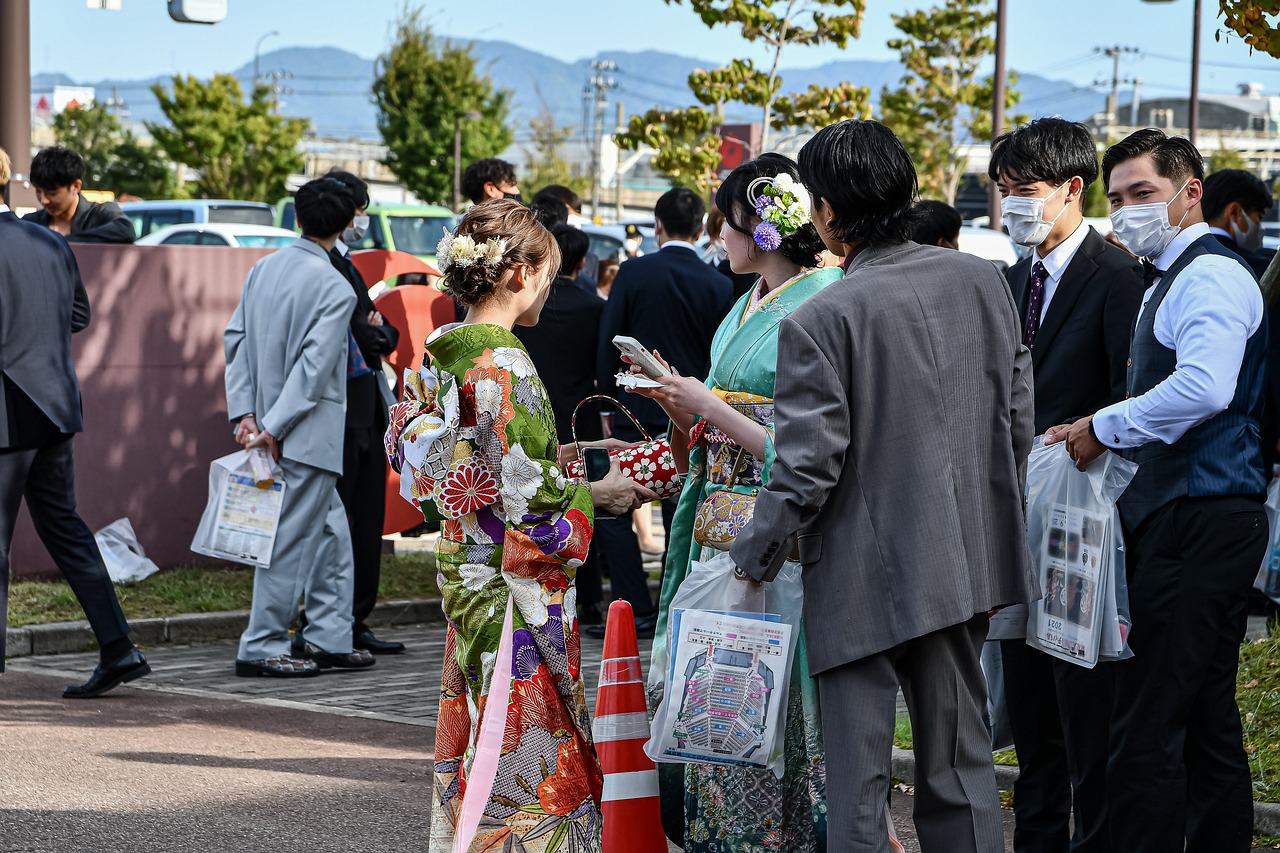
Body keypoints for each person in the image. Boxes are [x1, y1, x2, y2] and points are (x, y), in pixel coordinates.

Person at [730, 119, 1036, 851]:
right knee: (962, 769)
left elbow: (806, 467)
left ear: (828, 212)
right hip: (962, 559)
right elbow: (1016, 411)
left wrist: (752, 555)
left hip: (862, 576)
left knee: (858, 785)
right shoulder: (982, 280)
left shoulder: (822, 316)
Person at [383, 199, 656, 852]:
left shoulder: (439, 352)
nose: (547, 289)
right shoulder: (504, 365)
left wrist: (540, 467)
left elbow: (450, 461)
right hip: (511, 592)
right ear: (518, 273)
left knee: (482, 735)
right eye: (547, 274)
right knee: (527, 753)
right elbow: (533, 508)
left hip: (465, 573)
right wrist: (599, 493)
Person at [1047, 128, 1268, 853]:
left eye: (1143, 193)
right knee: (1203, 718)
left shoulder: (1207, 275)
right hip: (1188, 514)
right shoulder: (1167, 278)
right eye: (1118, 198)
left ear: (1190, 190)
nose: (1128, 210)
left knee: (1147, 724)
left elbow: (1206, 386)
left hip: (1200, 516)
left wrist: (1103, 425)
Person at [631, 153, 842, 851]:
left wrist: (711, 407)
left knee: (769, 687)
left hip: (774, 524)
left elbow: (812, 442)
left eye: (729, 221)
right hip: (716, 518)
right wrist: (681, 405)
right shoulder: (748, 299)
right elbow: (717, 418)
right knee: (717, 684)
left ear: (766, 228)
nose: (719, 234)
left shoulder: (826, 297)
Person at [989, 116, 1145, 853]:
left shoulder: (1117, 276)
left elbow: (1132, 396)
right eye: (1003, 191)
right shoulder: (1010, 279)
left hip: (1086, 528)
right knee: (1031, 720)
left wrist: (1090, 429)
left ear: (1072, 189)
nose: (1012, 204)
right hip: (1016, 527)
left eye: (1025, 190)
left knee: (1088, 718)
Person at [0, 145, 149, 698]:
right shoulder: (48, 241)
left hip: (8, 412)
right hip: (56, 406)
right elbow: (79, 316)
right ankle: (118, 648)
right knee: (66, 529)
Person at [224, 178, 375, 678]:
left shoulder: (262, 268)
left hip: (270, 426)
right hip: (306, 432)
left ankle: (328, 635)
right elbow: (313, 369)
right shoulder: (334, 283)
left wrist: (247, 414)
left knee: (331, 533)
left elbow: (236, 340)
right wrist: (274, 425)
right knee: (291, 541)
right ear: (344, 223)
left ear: (298, 218)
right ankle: (262, 644)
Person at [594, 188, 734, 637]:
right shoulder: (718, 281)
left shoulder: (635, 271)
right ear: (700, 229)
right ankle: (680, 605)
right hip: (698, 415)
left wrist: (606, 402)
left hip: (637, 411)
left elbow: (608, 340)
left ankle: (633, 606)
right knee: (685, 510)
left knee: (619, 502)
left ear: (657, 225)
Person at [320, 169, 404, 656]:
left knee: (366, 515)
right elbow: (357, 330)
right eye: (357, 210)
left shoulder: (346, 263)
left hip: (367, 407)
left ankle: (356, 617)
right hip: (341, 411)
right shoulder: (319, 265)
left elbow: (382, 331)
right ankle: (334, 621)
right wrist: (370, 330)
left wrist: (373, 330)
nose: (361, 220)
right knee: (340, 519)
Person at [513, 223, 608, 623]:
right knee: (571, 491)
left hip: (533, 410)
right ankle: (587, 595)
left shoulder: (492, 346)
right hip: (578, 411)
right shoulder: (593, 305)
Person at [21, 146, 135, 243]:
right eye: (38, 191)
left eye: (52, 193)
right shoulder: (29, 223)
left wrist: (63, 242)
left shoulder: (100, 214)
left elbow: (126, 230)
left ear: (75, 186)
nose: (44, 200)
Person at [1202, 167, 1275, 278]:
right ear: (1235, 212)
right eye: (1259, 217)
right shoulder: (1262, 269)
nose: (1260, 227)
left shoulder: (1180, 260)